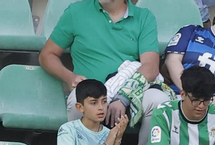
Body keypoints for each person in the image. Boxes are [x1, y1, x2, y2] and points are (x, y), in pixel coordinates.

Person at [39, 0, 169, 131]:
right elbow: (47, 55)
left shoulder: (144, 17)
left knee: (159, 100)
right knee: (77, 100)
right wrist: (69, 77)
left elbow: (151, 66)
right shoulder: (76, 11)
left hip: (130, 90)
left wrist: (123, 97)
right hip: (91, 89)